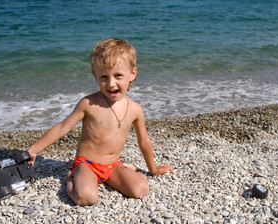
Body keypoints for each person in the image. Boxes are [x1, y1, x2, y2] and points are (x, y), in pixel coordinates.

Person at [28, 38, 173, 206]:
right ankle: (72, 176)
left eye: (118, 75)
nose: (111, 83)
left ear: (132, 73)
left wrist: (153, 169)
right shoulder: (88, 104)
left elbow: (143, 140)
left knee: (140, 189)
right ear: (94, 75)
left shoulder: (135, 109)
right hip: (86, 163)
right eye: (104, 77)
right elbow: (62, 127)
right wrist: (34, 150)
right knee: (87, 198)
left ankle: (123, 170)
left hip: (112, 164)